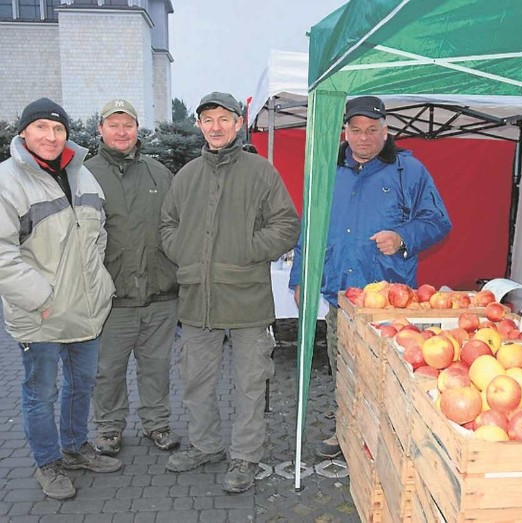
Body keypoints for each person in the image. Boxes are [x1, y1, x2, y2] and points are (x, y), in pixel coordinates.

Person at [289, 95, 452, 458]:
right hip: (342, 298)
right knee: (343, 368)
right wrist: (301, 276)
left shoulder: (409, 172)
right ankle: (344, 430)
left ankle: (384, 439)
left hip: (388, 301)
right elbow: (309, 229)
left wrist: (404, 237)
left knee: (385, 374)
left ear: (386, 131)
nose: (364, 138)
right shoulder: (327, 171)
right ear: (344, 132)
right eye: (356, 130)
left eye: (372, 130)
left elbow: (439, 221)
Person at [159, 92, 300, 493]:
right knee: (195, 381)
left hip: (247, 301)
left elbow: (286, 225)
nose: (216, 126)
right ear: (199, 126)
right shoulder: (186, 176)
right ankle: (205, 446)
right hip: (196, 303)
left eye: (224, 118)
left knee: (250, 383)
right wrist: (186, 252)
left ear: (238, 123)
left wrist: (245, 251)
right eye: (208, 120)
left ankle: (245, 456)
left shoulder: (261, 172)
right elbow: (167, 225)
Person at [0, 98, 121, 500]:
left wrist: (100, 285)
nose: (51, 137)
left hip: (85, 311)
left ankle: (75, 448)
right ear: (24, 133)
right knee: (41, 393)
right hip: (42, 313)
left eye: (58, 129)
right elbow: (3, 255)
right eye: (41, 128)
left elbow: (98, 235)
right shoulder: (8, 180)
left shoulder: (82, 175)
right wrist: (40, 297)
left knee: (82, 385)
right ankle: (47, 463)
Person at [85, 99, 179, 456]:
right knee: (107, 370)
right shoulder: (86, 174)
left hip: (159, 295)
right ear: (101, 129)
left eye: (128, 124)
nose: (121, 132)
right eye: (114, 124)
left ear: (137, 129)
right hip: (111, 299)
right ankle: (109, 428)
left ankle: (157, 423)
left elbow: (176, 226)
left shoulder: (159, 173)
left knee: (155, 368)